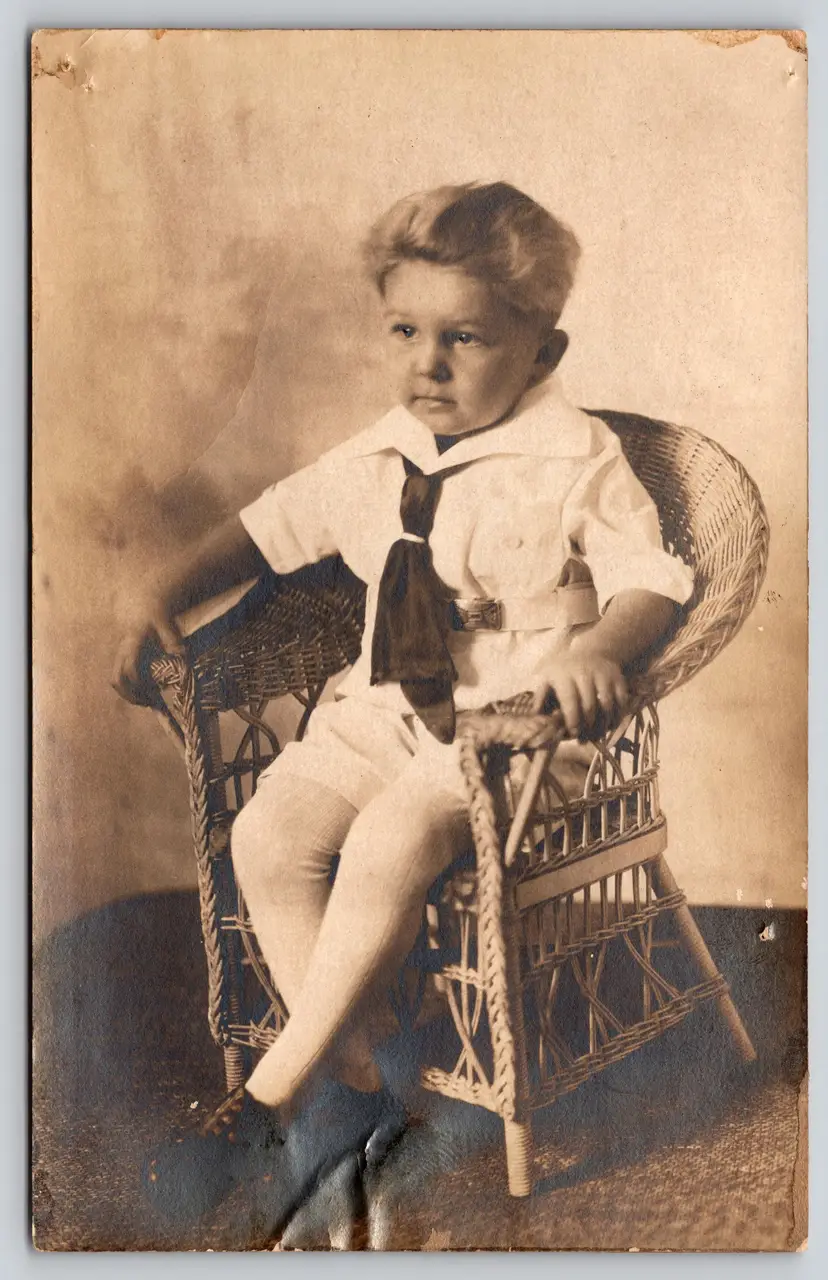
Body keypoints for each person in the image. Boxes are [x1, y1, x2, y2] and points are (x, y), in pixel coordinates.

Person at [112, 181, 694, 1228]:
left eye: (464, 337)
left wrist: (604, 647)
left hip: (511, 735)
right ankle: (365, 1061)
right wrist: (166, 585)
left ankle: (277, 1090)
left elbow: (647, 572)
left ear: (542, 350)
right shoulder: (378, 452)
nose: (428, 362)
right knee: (268, 832)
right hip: (384, 706)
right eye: (407, 329)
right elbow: (266, 524)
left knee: (389, 837)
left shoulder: (576, 457)